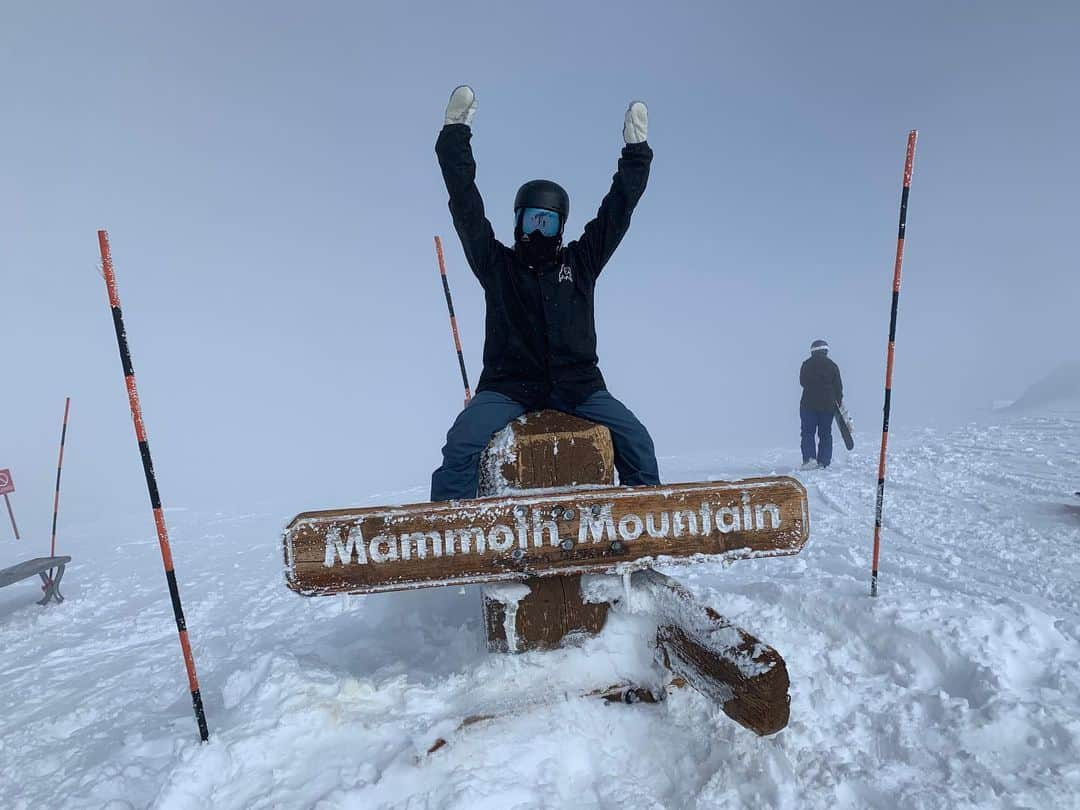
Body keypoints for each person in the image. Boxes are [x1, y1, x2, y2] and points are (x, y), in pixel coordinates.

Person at [430, 85, 660, 501]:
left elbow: (618, 209)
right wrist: (454, 135)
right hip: (508, 386)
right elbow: (465, 204)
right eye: (532, 220)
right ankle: (453, 535)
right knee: (462, 443)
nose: (538, 230)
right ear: (518, 222)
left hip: (579, 386)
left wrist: (636, 153)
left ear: (561, 227)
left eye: (548, 222)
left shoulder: (581, 263)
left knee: (636, 439)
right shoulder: (496, 264)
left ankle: (641, 536)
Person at [799, 339, 844, 470]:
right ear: (825, 350)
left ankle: (809, 459)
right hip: (827, 406)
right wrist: (838, 403)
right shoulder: (832, 365)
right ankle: (824, 461)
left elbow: (802, 382)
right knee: (825, 433)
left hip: (808, 405)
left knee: (808, 433)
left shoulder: (806, 364)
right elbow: (838, 387)